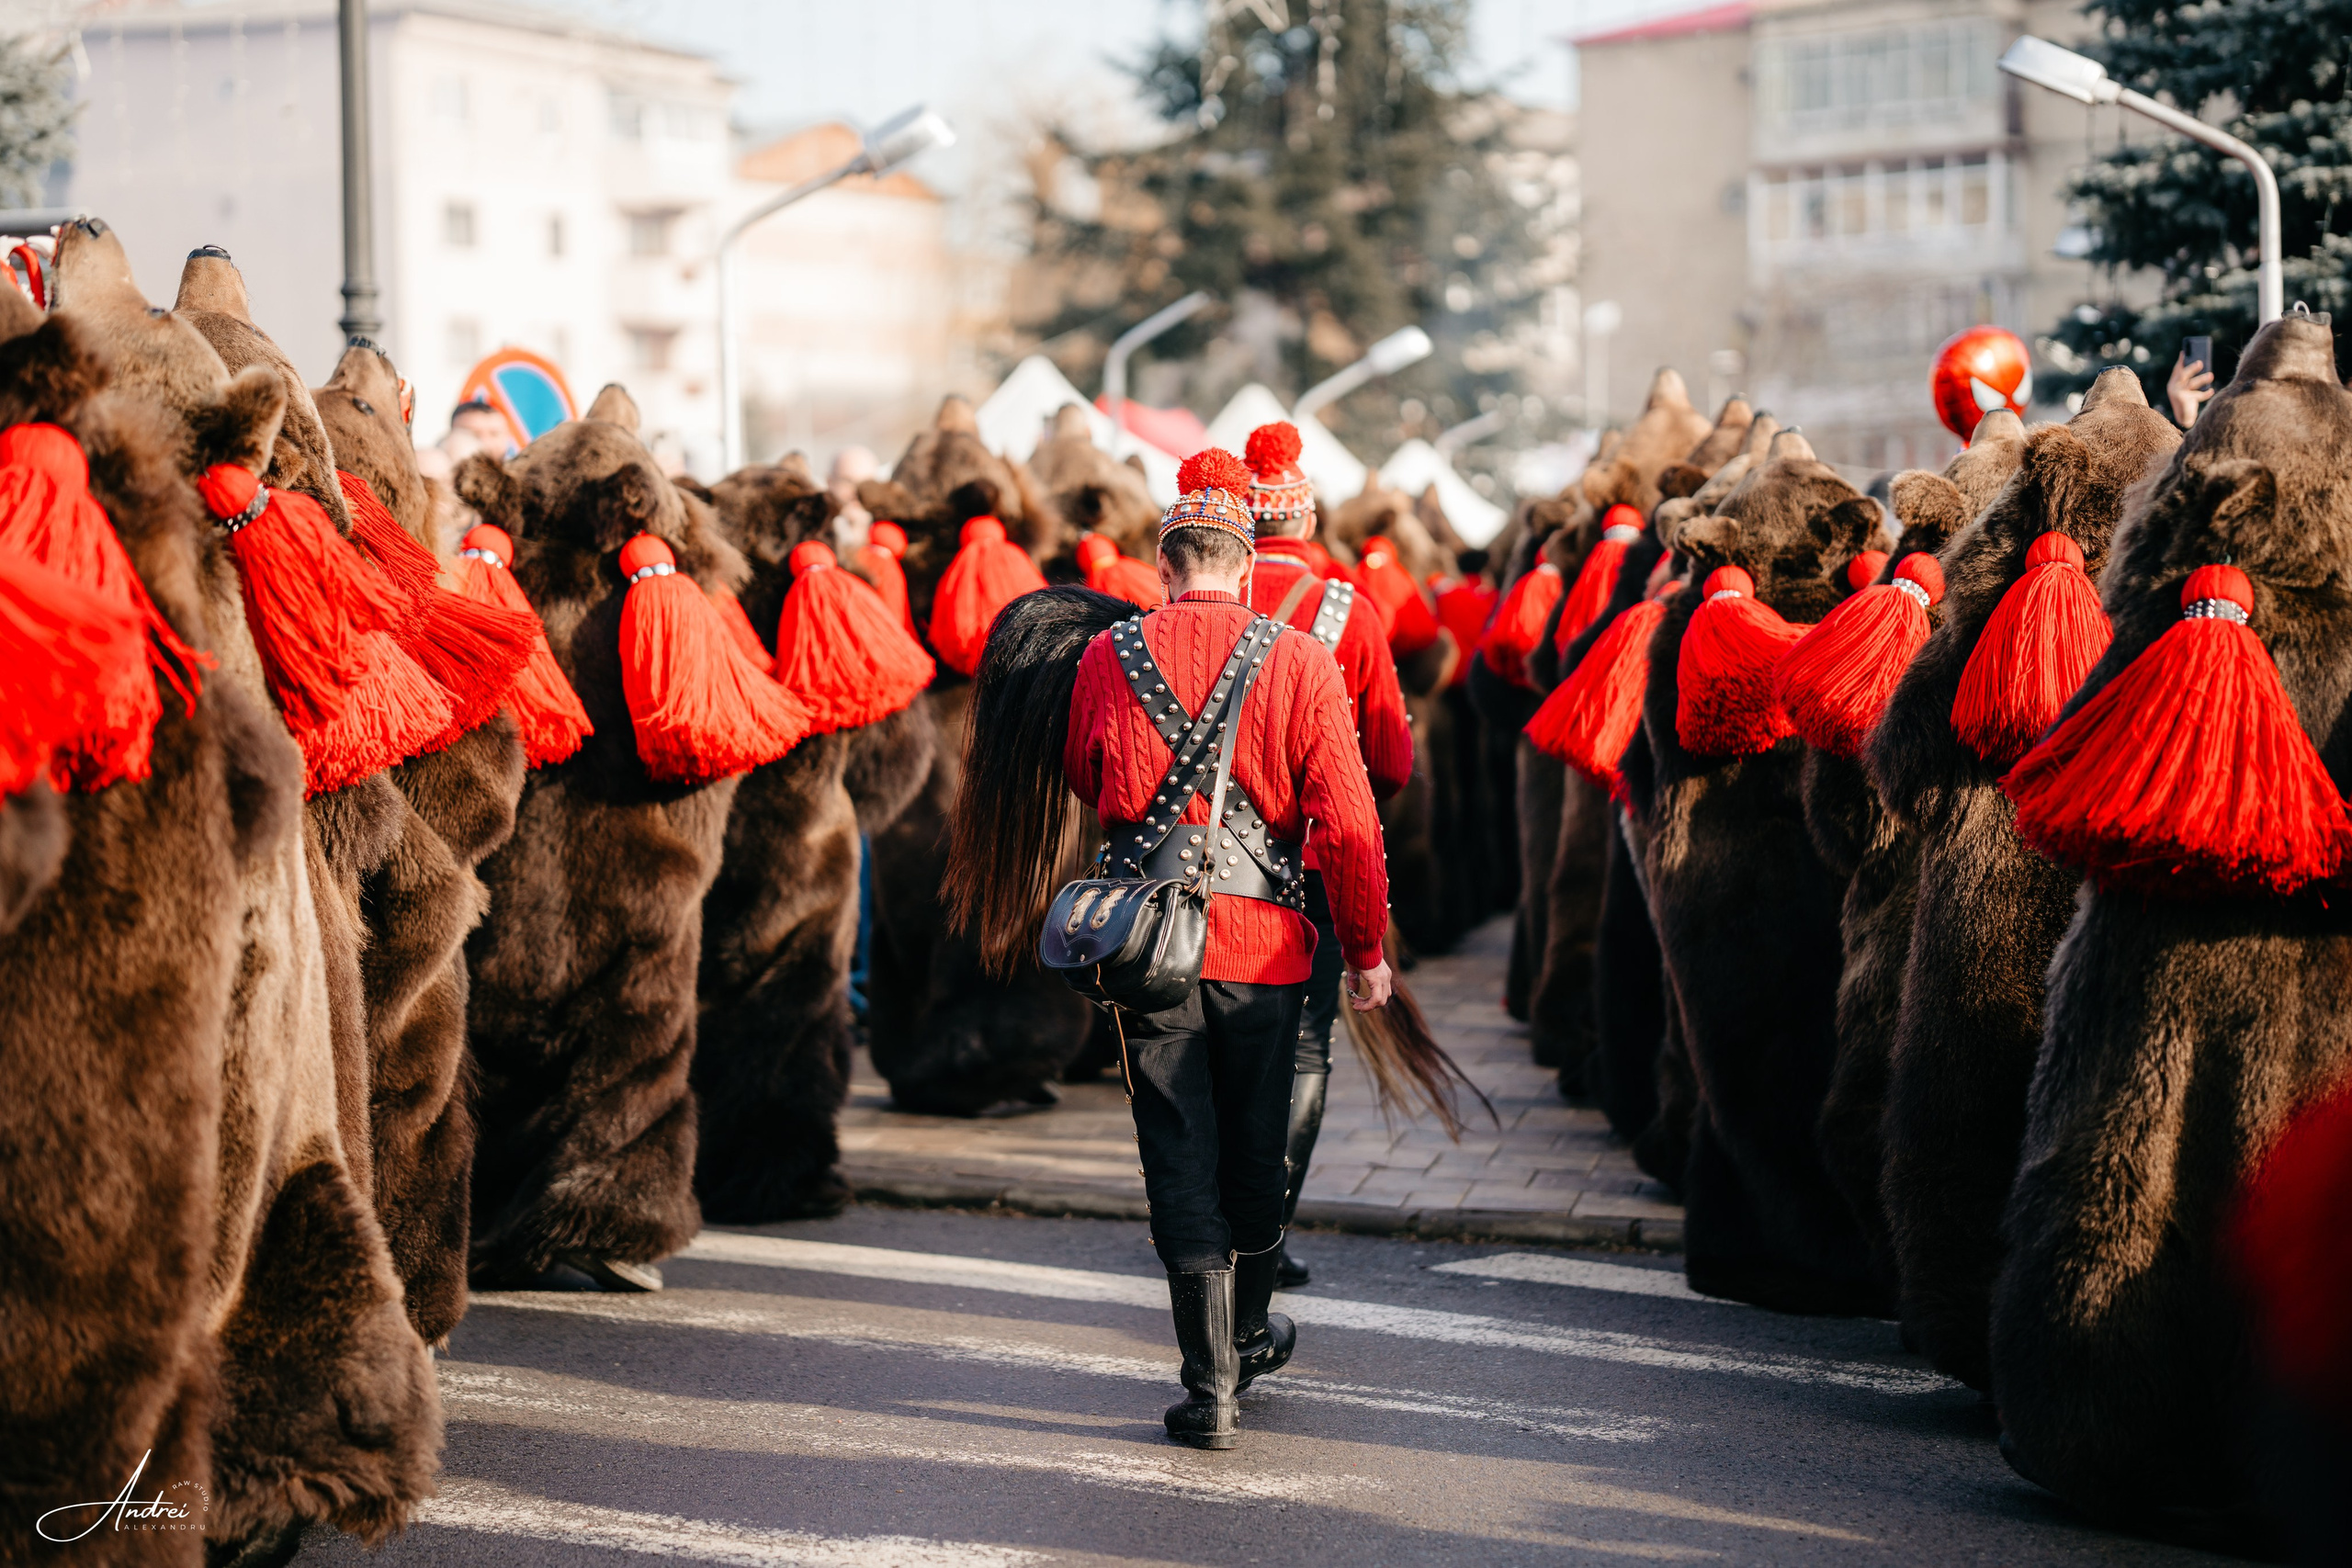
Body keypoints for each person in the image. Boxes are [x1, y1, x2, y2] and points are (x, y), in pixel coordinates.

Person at [1062, 447, 1393, 1449]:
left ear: (1164, 566)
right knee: (1256, 1148)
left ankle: (1208, 1388)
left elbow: (1087, 775)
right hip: (1270, 950)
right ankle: (1246, 1337)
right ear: (1246, 567)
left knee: (1176, 1150)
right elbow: (1349, 823)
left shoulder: (1107, 653)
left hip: (1149, 946)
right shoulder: (1301, 659)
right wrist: (1366, 947)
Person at [1239, 422, 1415, 1286]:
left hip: (1212, 864)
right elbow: (1391, 758)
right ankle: (1265, 1233)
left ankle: (1207, 1221)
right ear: (1307, 520)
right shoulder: (1349, 609)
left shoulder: (1205, 600)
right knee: (1305, 1045)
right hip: (1310, 868)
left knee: (1214, 1046)